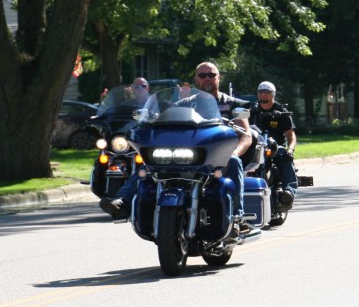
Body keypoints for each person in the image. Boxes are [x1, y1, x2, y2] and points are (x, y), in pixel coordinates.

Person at [100, 63, 254, 231]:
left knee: (234, 161)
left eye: (211, 75)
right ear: (196, 79)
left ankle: (238, 218)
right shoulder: (185, 103)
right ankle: (123, 201)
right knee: (150, 165)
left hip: (218, 156)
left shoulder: (231, 104)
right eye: (202, 75)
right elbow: (166, 121)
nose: (207, 78)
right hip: (190, 156)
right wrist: (150, 121)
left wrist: (235, 152)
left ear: (219, 77)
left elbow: (246, 136)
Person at [250, 81, 298, 211]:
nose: (263, 95)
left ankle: (289, 192)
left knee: (284, 157)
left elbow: (291, 135)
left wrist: (291, 150)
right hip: (257, 147)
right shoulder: (253, 111)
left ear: (273, 94)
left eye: (267, 92)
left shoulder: (281, 111)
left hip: (276, 148)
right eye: (261, 92)